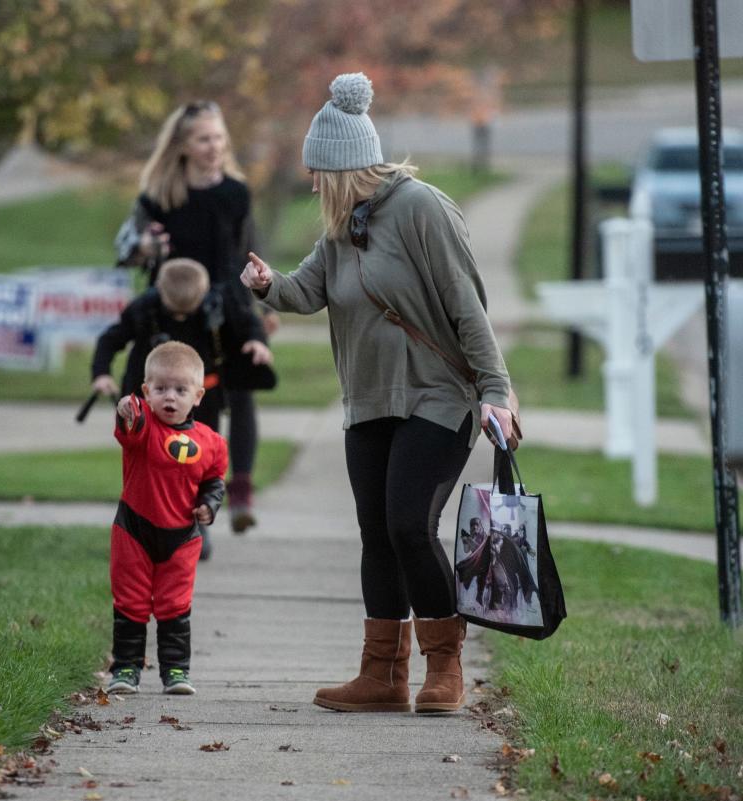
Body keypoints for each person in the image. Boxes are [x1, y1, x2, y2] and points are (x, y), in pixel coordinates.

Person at [240, 73, 516, 714]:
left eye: (317, 171)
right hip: (369, 402)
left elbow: (466, 306)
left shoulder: (421, 208)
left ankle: (444, 669)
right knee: (375, 534)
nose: (310, 183)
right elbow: (308, 291)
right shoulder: (343, 227)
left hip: (437, 398)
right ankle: (382, 677)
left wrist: (497, 388)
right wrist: (265, 284)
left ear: (341, 167)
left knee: (409, 526)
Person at [116, 100, 272, 534]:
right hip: (175, 312)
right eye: (204, 139)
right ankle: (185, 515)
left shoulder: (236, 193)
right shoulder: (160, 195)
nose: (214, 146)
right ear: (183, 145)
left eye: (219, 138)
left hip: (229, 308)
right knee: (179, 407)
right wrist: (144, 249)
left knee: (240, 392)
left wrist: (261, 308)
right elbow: (127, 247)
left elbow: (248, 250)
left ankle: (239, 489)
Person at [104, 341, 228, 696]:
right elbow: (130, 426)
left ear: (199, 396)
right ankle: (125, 669)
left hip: (182, 538)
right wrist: (127, 411)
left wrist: (210, 504)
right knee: (131, 601)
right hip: (134, 530)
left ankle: (176, 670)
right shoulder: (144, 429)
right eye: (160, 389)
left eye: (179, 390)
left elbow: (214, 480)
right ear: (146, 391)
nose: (169, 398)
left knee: (175, 604)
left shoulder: (213, 442)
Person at [91, 257, 273, 447]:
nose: (180, 317)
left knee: (203, 448)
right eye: (174, 310)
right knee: (149, 449)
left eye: (188, 310)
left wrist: (257, 342)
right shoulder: (144, 308)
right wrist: (101, 373)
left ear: (205, 291)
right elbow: (110, 339)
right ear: (159, 288)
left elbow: (248, 323)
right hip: (149, 394)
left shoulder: (219, 304)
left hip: (202, 395)